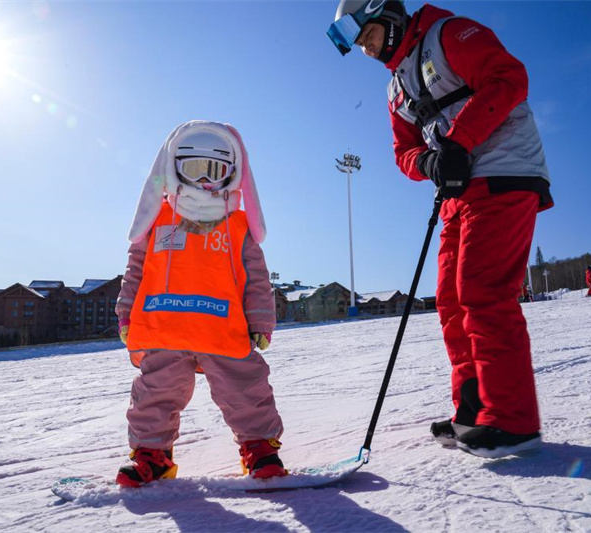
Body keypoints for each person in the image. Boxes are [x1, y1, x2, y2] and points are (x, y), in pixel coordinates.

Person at [327, 1, 551, 458]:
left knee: (483, 293)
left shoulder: (449, 34)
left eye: (369, 36)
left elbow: (509, 78)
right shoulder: (396, 88)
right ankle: (475, 410)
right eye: (361, 45)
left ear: (388, 16)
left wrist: (459, 141)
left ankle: (513, 421)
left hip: (502, 171)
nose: (368, 50)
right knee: (450, 301)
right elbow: (403, 152)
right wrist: (429, 161)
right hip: (456, 191)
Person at [113, 120, 285, 487]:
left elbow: (255, 276)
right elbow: (135, 270)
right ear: (174, 169)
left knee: (245, 389)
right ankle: (152, 454)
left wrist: (260, 321)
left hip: (223, 327)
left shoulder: (237, 226)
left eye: (215, 170)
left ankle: (260, 448)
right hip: (164, 328)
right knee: (155, 394)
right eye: (195, 169)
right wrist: (126, 313)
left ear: (232, 173)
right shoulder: (156, 220)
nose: (205, 181)